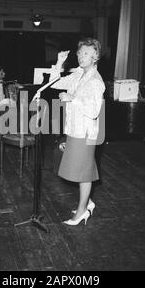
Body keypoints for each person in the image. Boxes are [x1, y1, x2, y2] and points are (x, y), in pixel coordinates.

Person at [50, 37, 105, 226]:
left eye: (87, 53)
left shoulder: (96, 81)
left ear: (95, 56)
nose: (82, 56)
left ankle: (82, 211)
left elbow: (94, 111)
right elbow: (54, 83)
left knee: (83, 172)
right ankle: (87, 202)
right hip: (75, 129)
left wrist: (72, 98)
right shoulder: (79, 74)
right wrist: (59, 62)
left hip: (86, 132)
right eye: (80, 53)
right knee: (82, 170)